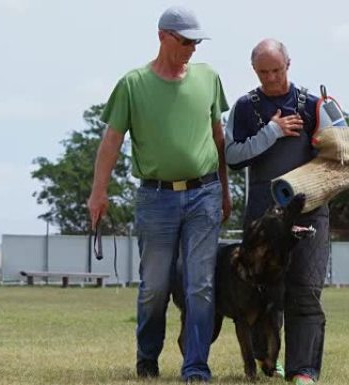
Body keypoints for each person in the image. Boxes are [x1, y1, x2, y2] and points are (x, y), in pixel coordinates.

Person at [87, 6, 229, 383]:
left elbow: (219, 140)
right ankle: (147, 358)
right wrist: (97, 194)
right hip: (156, 199)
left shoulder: (209, 78)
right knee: (155, 287)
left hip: (205, 194)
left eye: (196, 42)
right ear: (163, 36)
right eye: (185, 41)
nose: (192, 49)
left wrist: (226, 191)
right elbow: (111, 142)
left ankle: (196, 366)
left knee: (200, 284)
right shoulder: (133, 84)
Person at [224, 38, 330, 385]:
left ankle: (304, 370)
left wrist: (329, 136)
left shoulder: (313, 105)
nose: (270, 78)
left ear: (289, 64)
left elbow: (340, 153)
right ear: (254, 70)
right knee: (263, 292)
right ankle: (269, 361)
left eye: (276, 70)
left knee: (304, 289)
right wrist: (272, 132)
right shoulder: (244, 108)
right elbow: (233, 157)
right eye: (262, 71)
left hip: (309, 212)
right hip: (262, 216)